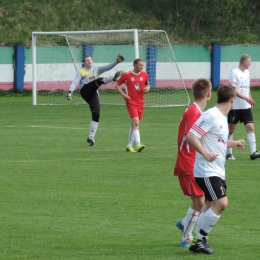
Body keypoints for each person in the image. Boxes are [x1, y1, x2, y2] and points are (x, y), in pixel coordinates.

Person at [186, 85, 245, 254]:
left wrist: (234, 143)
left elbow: (217, 141)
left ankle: (198, 240)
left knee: (210, 205)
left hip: (216, 170)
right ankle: (201, 239)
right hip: (206, 170)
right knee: (221, 203)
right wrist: (204, 152)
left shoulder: (221, 118)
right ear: (233, 100)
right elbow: (191, 135)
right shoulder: (211, 115)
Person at [174, 78, 212, 247]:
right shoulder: (194, 112)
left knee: (202, 202)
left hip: (195, 163)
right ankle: (186, 237)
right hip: (188, 163)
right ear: (209, 94)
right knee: (200, 203)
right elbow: (191, 137)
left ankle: (184, 223)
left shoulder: (197, 111)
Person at [66, 54, 125, 146]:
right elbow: (75, 82)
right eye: (87, 60)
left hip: (93, 94)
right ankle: (114, 77)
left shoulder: (96, 69)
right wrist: (70, 92)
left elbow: (107, 67)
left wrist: (116, 62)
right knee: (99, 80)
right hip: (85, 91)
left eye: (90, 60)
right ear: (84, 63)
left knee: (96, 114)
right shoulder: (81, 71)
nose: (89, 61)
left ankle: (91, 138)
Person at [226, 54, 260, 160]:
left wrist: (249, 99)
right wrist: (247, 99)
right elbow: (233, 90)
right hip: (235, 106)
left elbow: (248, 87)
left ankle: (253, 152)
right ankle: (228, 153)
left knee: (250, 127)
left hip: (245, 106)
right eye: (249, 62)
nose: (250, 64)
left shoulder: (247, 72)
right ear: (245, 63)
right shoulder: (234, 73)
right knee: (231, 129)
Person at [115, 58, 150, 152]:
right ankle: (138, 145)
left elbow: (147, 84)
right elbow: (117, 85)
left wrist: (148, 88)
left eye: (142, 65)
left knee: (134, 124)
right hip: (131, 102)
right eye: (140, 65)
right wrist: (123, 94)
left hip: (141, 102)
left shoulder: (145, 74)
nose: (142, 67)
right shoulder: (126, 75)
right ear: (134, 65)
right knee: (136, 123)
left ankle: (129, 145)